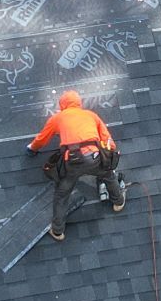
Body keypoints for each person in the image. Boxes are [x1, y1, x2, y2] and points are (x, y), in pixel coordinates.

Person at [28, 88, 125, 238]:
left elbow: (42, 138)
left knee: (62, 195)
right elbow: (106, 137)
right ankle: (118, 202)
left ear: (62, 105)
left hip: (72, 162)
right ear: (79, 103)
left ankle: (58, 231)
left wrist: (32, 149)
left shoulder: (58, 118)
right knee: (109, 176)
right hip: (95, 158)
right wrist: (110, 153)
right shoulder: (91, 115)